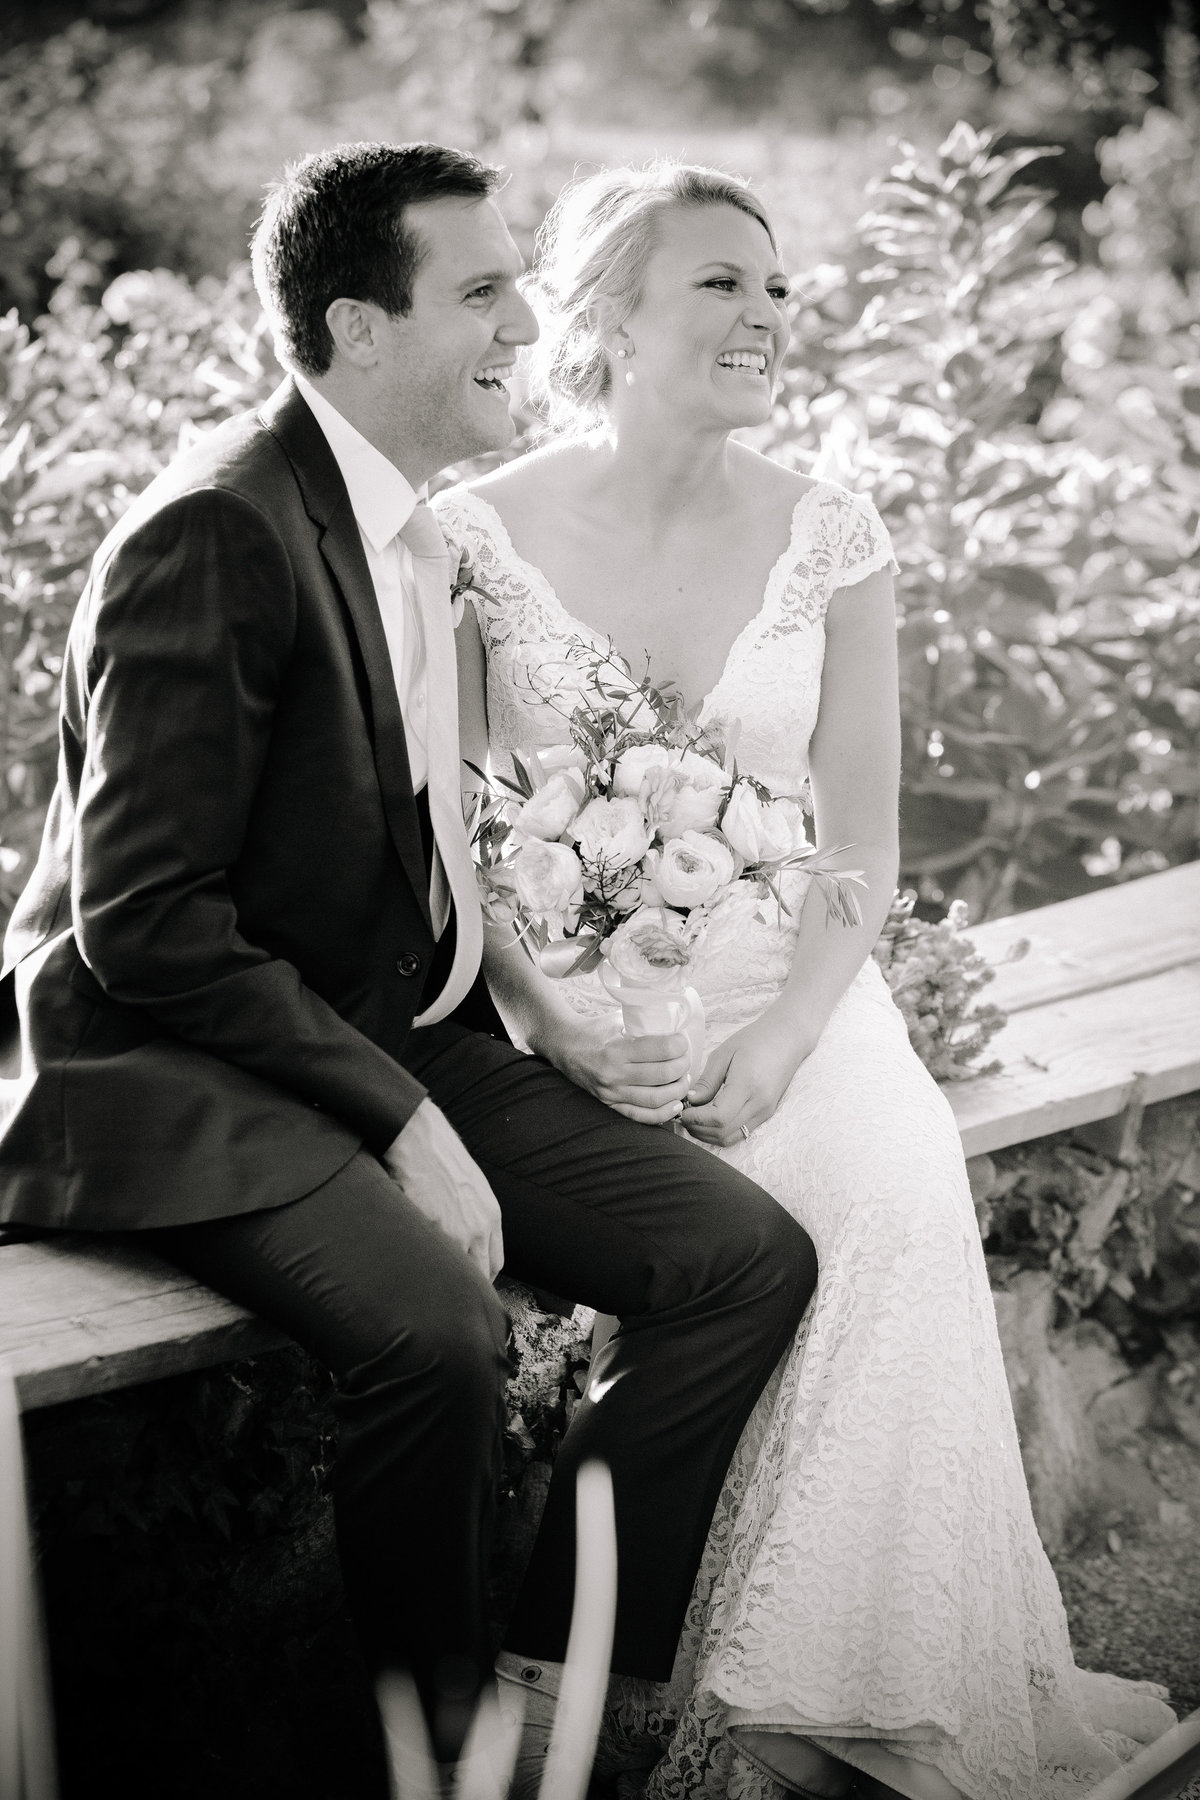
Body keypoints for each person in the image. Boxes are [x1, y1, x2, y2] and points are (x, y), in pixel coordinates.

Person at [0, 143, 820, 1785]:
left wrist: (544, 1034)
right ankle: (430, 1750)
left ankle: (555, 1676)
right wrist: (403, 1118)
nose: (534, 316)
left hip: (376, 1030)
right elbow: (144, 922)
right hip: (176, 1064)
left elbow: (421, 853)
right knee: (436, 1330)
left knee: (744, 1261)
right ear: (359, 328)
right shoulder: (214, 535)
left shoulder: (413, 524)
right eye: (486, 292)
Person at [432, 162, 1176, 1800]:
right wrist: (551, 1026)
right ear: (608, 316)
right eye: (721, 284)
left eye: (779, 290)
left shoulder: (832, 532)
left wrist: (779, 1036)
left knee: (895, 1194)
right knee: (735, 1258)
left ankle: (818, 1715)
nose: (769, 316)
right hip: (560, 1014)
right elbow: (450, 841)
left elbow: (864, 851)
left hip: (795, 992)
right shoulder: (473, 536)